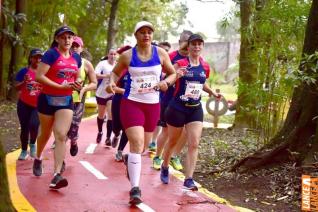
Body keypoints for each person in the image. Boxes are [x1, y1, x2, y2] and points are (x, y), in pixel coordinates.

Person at [106, 21, 176, 205]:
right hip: (131, 103)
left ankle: (131, 159)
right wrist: (111, 83)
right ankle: (135, 189)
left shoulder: (160, 53)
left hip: (153, 105)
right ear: (136, 35)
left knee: (143, 147)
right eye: (142, 32)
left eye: (149, 32)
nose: (146, 35)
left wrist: (166, 82)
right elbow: (114, 73)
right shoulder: (127, 56)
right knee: (136, 143)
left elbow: (173, 73)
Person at [160, 34, 221, 191]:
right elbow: (170, 78)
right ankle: (165, 165)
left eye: (200, 44)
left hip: (195, 108)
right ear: (188, 47)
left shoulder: (205, 66)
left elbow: (201, 83)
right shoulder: (180, 63)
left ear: (202, 46)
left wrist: (212, 92)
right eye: (194, 44)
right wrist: (176, 75)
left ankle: (189, 179)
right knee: (173, 141)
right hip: (177, 107)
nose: (197, 47)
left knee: (194, 143)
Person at [32, 26, 82, 190]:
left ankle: (56, 175)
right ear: (57, 39)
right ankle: (38, 157)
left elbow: (77, 77)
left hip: (66, 100)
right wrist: (59, 86)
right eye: (63, 37)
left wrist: (76, 84)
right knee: (45, 134)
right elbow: (39, 76)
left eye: (70, 37)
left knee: (61, 135)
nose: (67, 40)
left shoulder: (77, 58)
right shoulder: (51, 54)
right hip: (47, 99)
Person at [152, 30, 193, 171]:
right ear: (180, 41)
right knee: (166, 130)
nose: (187, 46)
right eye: (185, 42)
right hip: (168, 97)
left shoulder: (194, 59)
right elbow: (161, 75)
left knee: (186, 132)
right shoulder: (171, 56)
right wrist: (175, 75)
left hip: (184, 99)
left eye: (190, 43)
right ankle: (157, 156)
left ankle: (174, 156)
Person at [67, 36, 97, 156]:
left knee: (73, 129)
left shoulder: (86, 64)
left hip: (78, 100)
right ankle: (61, 162)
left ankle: (73, 141)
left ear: (81, 48)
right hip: (62, 98)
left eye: (77, 46)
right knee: (62, 129)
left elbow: (94, 83)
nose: (74, 48)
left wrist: (84, 89)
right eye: (72, 45)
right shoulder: (61, 61)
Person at [15, 49, 43, 160]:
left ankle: (32, 144)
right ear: (31, 58)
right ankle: (23, 150)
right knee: (24, 128)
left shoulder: (45, 72)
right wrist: (24, 82)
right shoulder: (23, 71)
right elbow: (16, 87)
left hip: (38, 105)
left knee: (34, 124)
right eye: (36, 57)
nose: (38, 60)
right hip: (23, 104)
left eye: (40, 57)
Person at [148, 41, 171, 152]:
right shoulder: (152, 62)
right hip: (147, 96)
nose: (164, 52)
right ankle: (148, 139)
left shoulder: (169, 64)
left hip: (163, 97)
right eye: (162, 49)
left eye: (167, 50)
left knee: (159, 121)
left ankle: (153, 141)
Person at [110, 45, 132, 161]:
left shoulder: (137, 68)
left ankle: (120, 150)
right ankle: (116, 134)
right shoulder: (119, 70)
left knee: (127, 127)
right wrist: (124, 91)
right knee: (116, 126)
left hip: (131, 102)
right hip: (118, 99)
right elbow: (112, 88)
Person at [95, 49, 117, 146]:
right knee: (101, 115)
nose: (112, 56)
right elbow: (96, 75)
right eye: (111, 54)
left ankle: (108, 137)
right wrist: (107, 75)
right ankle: (100, 132)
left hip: (111, 93)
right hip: (101, 93)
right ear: (108, 55)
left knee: (110, 115)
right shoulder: (102, 64)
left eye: (114, 54)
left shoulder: (118, 65)